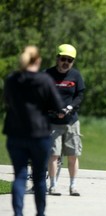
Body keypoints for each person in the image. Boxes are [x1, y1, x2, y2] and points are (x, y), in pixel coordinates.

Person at [3, 45, 63, 216]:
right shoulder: (44, 80)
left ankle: (18, 213)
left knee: (20, 176)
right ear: (37, 60)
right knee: (38, 178)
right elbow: (58, 106)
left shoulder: (12, 79)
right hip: (40, 134)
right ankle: (40, 213)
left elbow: (7, 100)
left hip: (15, 134)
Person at [45, 44, 85, 196]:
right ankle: (53, 186)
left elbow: (80, 95)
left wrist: (69, 108)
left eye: (69, 60)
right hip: (52, 122)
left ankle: (73, 186)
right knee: (53, 155)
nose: (66, 62)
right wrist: (54, 110)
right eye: (63, 59)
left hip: (71, 122)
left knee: (73, 154)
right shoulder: (48, 74)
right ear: (57, 58)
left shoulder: (76, 76)